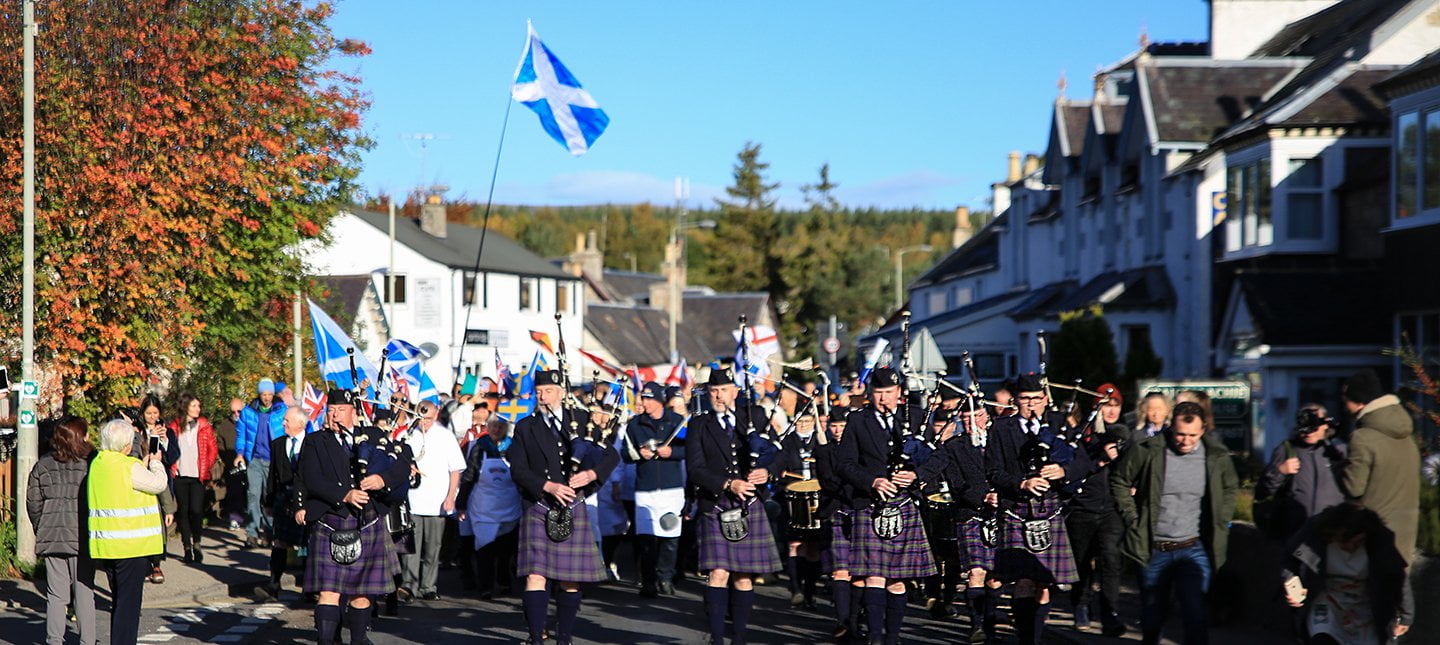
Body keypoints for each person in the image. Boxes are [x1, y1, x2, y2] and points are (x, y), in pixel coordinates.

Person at [1110, 401, 1239, 645]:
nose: (1185, 441)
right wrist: (1132, 519)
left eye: (1192, 435)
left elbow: (1230, 486)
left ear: (1202, 431)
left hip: (1193, 548)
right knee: (1153, 618)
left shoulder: (1215, 456)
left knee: (1195, 614)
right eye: (1180, 434)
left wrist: (1222, 518)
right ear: (1170, 427)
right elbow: (1119, 481)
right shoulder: (1148, 450)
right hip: (1154, 547)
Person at [834, 367, 945, 645]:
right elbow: (844, 464)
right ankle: (874, 637)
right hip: (871, 503)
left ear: (900, 393)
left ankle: (892, 638)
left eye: (889, 393)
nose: (884, 399)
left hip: (905, 502)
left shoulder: (917, 418)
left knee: (898, 579)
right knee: (874, 576)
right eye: (878, 393)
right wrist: (872, 481)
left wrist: (917, 475)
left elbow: (939, 457)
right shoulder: (858, 421)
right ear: (870, 394)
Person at [509, 369, 617, 645]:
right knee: (536, 575)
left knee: (570, 579)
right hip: (539, 504)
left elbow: (610, 454)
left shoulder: (581, 421)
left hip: (572, 506)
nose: (543, 397)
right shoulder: (525, 427)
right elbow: (519, 470)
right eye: (539, 392)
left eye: (548, 391)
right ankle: (536, 637)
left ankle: (565, 638)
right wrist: (547, 486)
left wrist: (592, 475)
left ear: (561, 393)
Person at [300, 389, 412, 645]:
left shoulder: (374, 436)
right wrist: (345, 495)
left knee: (361, 595)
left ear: (353, 411)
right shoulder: (316, 441)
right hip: (330, 519)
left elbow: (403, 464)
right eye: (331, 410)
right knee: (328, 592)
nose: (334, 414)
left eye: (340, 409)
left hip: (368, 521)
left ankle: (358, 640)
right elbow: (312, 478)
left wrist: (383, 479)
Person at [988, 373, 1088, 645]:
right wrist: (1021, 483)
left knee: (1044, 582)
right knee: (1023, 580)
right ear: (1015, 400)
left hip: (1050, 510)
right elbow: (993, 471)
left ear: (1045, 399)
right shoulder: (1001, 428)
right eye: (1024, 399)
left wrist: (1062, 471)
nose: (1031, 405)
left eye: (1036, 399)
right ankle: (1026, 639)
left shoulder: (1059, 425)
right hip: (1016, 509)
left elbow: (1083, 463)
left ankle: (1035, 634)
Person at [687, 366, 783, 645]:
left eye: (724, 390)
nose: (719, 396)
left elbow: (779, 454)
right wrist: (728, 484)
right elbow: (695, 469)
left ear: (735, 392)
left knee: (743, 576)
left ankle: (738, 637)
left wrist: (768, 472)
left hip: (748, 504)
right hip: (716, 503)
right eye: (714, 390)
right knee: (718, 572)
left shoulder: (753, 418)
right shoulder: (699, 424)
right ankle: (717, 638)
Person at [1280, 503, 1412, 645]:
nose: (1351, 548)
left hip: (1366, 605)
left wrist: (1406, 615)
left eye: (1358, 542)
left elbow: (1398, 577)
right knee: (1321, 638)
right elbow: (1289, 556)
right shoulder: (1315, 532)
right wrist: (1291, 580)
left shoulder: (1380, 540)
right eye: (1344, 543)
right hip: (1327, 600)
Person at [89, 417, 169, 645]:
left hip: (107, 545)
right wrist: (155, 462)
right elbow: (158, 483)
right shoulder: (129, 466)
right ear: (126, 444)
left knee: (119, 602)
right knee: (129, 606)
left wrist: (141, 464)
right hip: (132, 546)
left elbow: (122, 483)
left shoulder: (98, 463)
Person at [1340, 368, 1421, 565]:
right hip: (1406, 527)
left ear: (1360, 402)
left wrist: (1337, 468)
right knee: (1398, 589)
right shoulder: (1407, 436)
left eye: (1346, 401)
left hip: (1373, 530)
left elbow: (1353, 487)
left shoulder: (1363, 438)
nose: (1345, 407)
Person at [28, 416, 97, 645]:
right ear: (79, 437)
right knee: (84, 592)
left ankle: (54, 640)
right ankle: (88, 640)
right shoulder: (89, 464)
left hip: (51, 534)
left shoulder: (43, 465)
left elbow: (33, 502)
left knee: (56, 594)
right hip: (81, 536)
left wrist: (41, 526)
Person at [1064, 388, 1126, 637]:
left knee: (1110, 559)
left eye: (1116, 405)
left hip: (1111, 508)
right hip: (1083, 506)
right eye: (1106, 405)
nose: (1111, 410)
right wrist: (1098, 460)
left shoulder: (1124, 434)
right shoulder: (1082, 434)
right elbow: (1071, 466)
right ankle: (1080, 604)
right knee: (1081, 560)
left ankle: (1110, 612)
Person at [943, 399, 1005, 644]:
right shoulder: (953, 447)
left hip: (1001, 515)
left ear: (987, 416)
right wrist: (983, 497)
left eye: (976, 416)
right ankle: (976, 626)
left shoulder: (999, 443)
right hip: (971, 513)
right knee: (976, 573)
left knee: (995, 577)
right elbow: (956, 485)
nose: (971, 422)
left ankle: (990, 624)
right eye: (966, 418)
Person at [395, 399, 466, 602]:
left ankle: (428, 585)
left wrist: (451, 497)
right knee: (411, 546)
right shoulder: (406, 435)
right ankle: (409, 585)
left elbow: (455, 470)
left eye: (427, 418)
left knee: (433, 547)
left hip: (437, 501)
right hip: (412, 500)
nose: (423, 422)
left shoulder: (445, 436)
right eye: (419, 417)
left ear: (435, 416)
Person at [626, 382, 687, 597]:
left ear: (660, 400)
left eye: (650, 399)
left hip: (671, 487)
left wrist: (673, 452)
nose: (645, 403)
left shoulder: (677, 422)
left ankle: (666, 577)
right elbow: (625, 453)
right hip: (646, 488)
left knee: (670, 536)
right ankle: (648, 581)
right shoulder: (634, 424)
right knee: (646, 539)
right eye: (643, 398)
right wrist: (638, 455)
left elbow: (689, 448)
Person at [1255, 404, 1347, 542]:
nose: (1309, 432)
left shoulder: (1338, 450)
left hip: (1333, 533)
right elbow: (1263, 491)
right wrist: (1280, 471)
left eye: (1315, 423)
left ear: (1325, 424)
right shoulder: (1287, 449)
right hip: (1296, 534)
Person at [458, 416, 521, 600]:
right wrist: (461, 504)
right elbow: (469, 477)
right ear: (488, 427)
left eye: (501, 426)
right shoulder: (479, 447)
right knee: (484, 550)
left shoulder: (514, 447)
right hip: (484, 508)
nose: (496, 429)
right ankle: (485, 586)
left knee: (505, 550)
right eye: (493, 426)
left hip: (509, 506)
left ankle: (504, 582)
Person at [818, 405, 864, 642]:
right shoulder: (824, 450)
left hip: (859, 510)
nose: (837, 430)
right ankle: (843, 622)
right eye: (834, 426)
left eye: (842, 426)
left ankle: (856, 619)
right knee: (840, 571)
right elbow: (827, 481)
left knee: (862, 572)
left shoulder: (860, 448)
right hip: (836, 510)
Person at [776, 405, 826, 610]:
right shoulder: (787, 442)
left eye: (807, 421)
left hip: (817, 498)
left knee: (813, 549)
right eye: (800, 421)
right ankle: (795, 588)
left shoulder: (821, 441)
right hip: (792, 499)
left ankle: (810, 592)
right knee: (795, 546)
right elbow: (779, 467)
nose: (803, 425)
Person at [261, 408, 310, 599]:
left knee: (307, 544)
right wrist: (269, 501)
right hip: (283, 497)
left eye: (287, 420)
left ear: (301, 423)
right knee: (279, 542)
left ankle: (309, 588)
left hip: (305, 499)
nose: (283, 423)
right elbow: (272, 475)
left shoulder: (312, 443)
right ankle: (274, 584)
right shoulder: (278, 444)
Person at [130, 394, 179, 584]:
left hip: (161, 479)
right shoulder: (136, 433)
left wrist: (164, 440)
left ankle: (157, 562)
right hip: (141, 478)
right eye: (148, 413)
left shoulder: (167, 432)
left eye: (155, 413)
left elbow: (173, 456)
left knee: (159, 522)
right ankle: (144, 561)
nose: (152, 417)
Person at [236, 378, 288, 548]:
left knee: (269, 497)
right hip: (255, 459)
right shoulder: (248, 411)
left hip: (273, 461)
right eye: (264, 394)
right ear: (259, 394)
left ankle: (269, 532)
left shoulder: (281, 411)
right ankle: (251, 533)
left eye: (269, 394)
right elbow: (242, 434)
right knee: (253, 495)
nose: (266, 397)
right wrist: (240, 454)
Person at [167, 393, 218, 564]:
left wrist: (206, 465)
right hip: (180, 475)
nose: (198, 409)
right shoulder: (174, 426)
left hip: (198, 476)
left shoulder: (204, 425)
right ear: (186, 406)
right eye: (194, 405)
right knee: (183, 511)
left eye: (199, 406)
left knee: (196, 511)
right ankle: (186, 546)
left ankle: (197, 543)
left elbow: (212, 449)